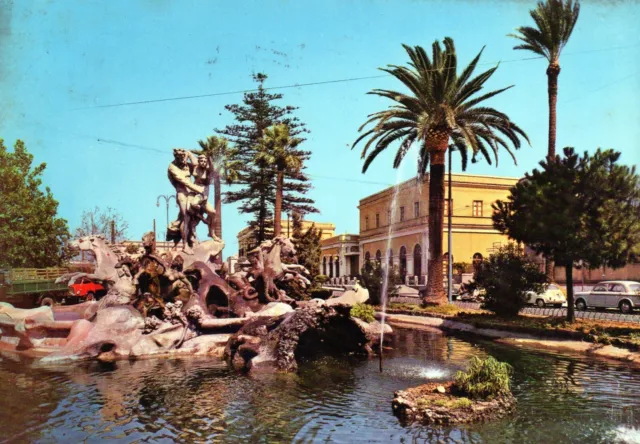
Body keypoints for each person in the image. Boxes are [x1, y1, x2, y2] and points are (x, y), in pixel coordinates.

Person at [167, 149, 204, 254]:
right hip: (182, 193)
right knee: (186, 217)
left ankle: (191, 237)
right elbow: (185, 181)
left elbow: (196, 165)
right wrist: (198, 189)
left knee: (195, 215)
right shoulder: (172, 167)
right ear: (176, 157)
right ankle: (185, 245)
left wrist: (189, 153)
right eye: (180, 158)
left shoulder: (186, 164)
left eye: (184, 157)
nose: (183, 160)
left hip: (191, 194)